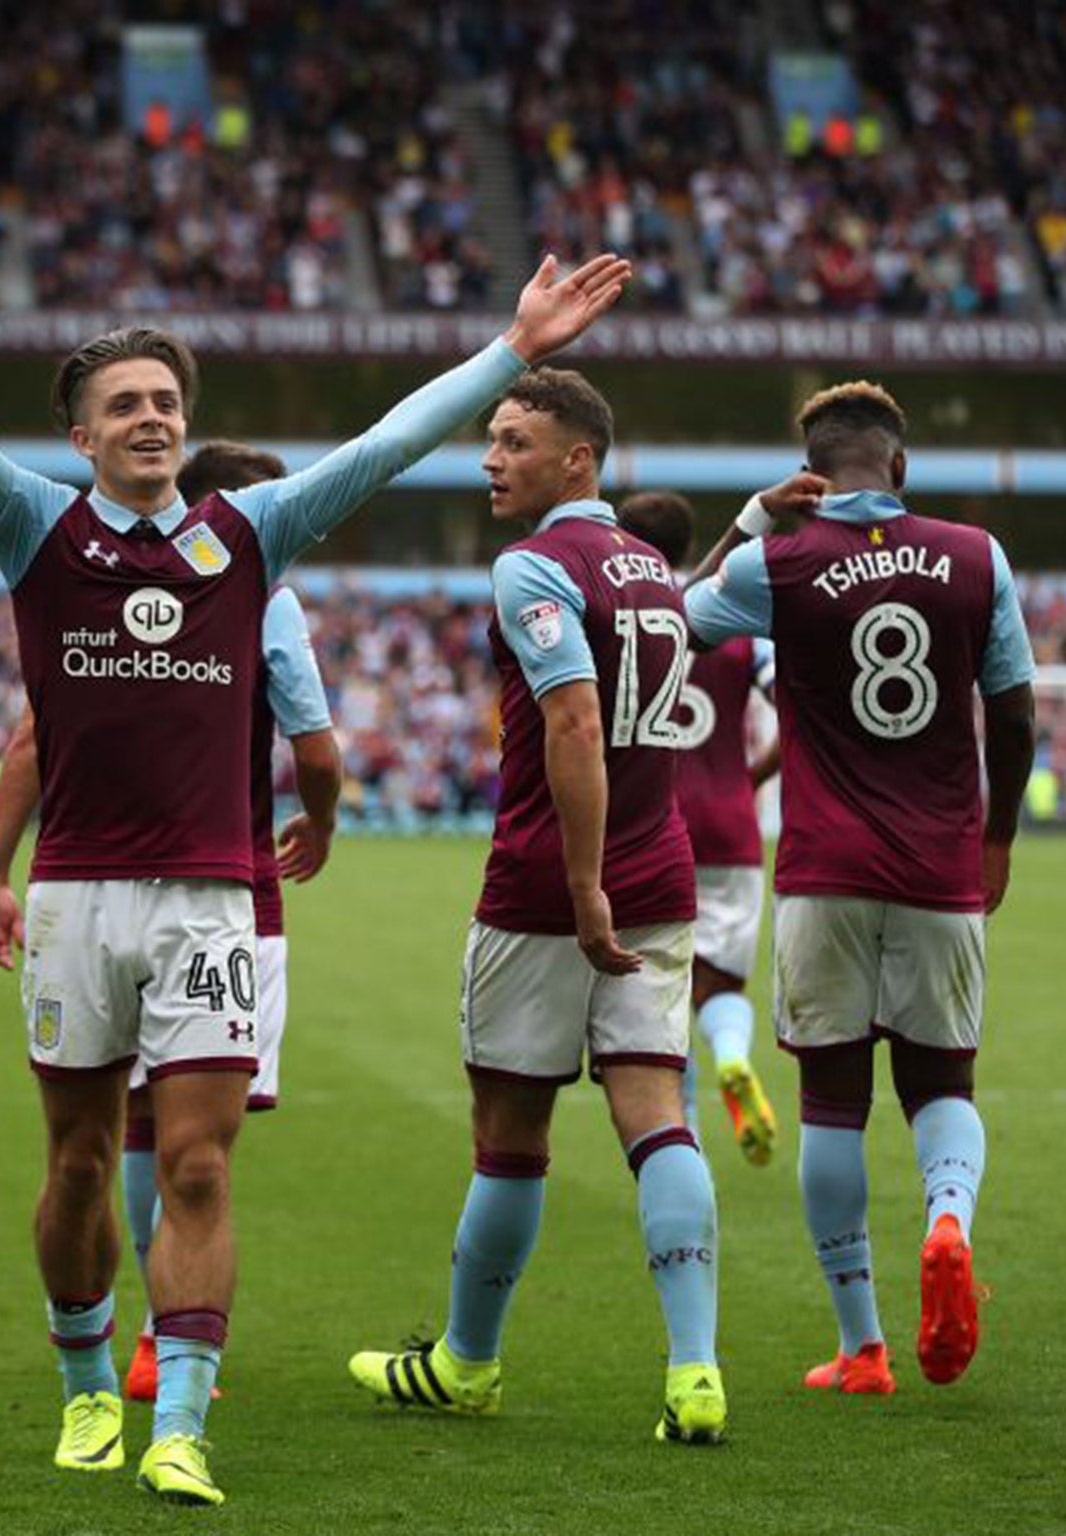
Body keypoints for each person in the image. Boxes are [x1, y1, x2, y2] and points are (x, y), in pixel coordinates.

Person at [0, 204, 628, 1505]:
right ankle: (86, 1386)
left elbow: (387, 445)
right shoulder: (35, 527)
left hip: (216, 903)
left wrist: (512, 350)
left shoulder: (251, 532)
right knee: (81, 1164)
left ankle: (185, 1422)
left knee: (202, 1163)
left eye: (166, 398)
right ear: (82, 435)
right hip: (77, 906)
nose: (153, 417)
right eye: (125, 404)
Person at [346, 370, 797, 1447]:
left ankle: (466, 1362)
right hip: (664, 873)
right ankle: (694, 1373)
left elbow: (576, 725)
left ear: (576, 461)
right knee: (655, 1112)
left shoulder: (530, 567)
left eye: (512, 441)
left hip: (551, 889)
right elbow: (678, 612)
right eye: (490, 440)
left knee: (509, 1133)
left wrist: (581, 885)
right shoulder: (648, 571)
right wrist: (750, 521)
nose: (490, 458)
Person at [0, 441, 344, 1404]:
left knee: (116, 1137)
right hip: (228, 891)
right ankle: (157, 1345)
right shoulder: (264, 586)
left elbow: (30, 737)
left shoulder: (94, 590)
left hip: (88, 889)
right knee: (200, 1153)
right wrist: (326, 817)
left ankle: (141, 1358)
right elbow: (316, 744)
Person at [685, 381, 1035, 1394]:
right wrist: (997, 837)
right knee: (940, 1085)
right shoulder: (977, 557)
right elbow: (1011, 716)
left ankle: (861, 1346)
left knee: (831, 1104)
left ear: (810, 472)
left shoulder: (775, 563)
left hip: (822, 872)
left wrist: (752, 520)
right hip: (938, 869)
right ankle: (945, 1222)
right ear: (898, 467)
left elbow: (668, 624)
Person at [617, 492, 780, 1165]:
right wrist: (750, 777)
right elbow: (800, 718)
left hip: (651, 822)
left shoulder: (625, 624)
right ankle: (734, 1057)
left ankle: (679, 1132)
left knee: (660, 992)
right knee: (721, 986)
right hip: (730, 825)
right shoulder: (741, 631)